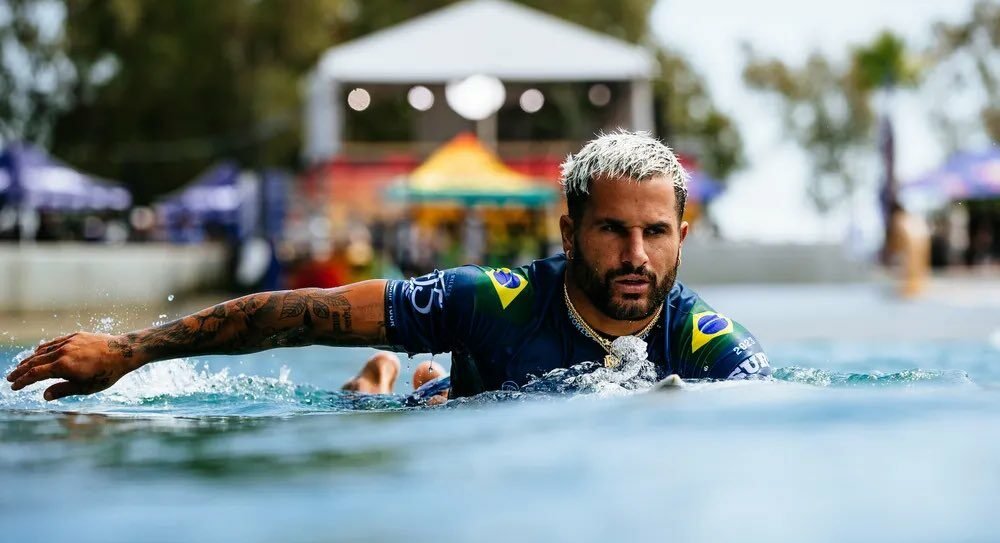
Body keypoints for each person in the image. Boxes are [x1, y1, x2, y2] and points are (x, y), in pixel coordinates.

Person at [6, 131, 771, 402]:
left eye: (656, 233)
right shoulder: (489, 301)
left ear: (682, 233)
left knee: (432, 388)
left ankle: (412, 378)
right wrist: (127, 352)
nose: (637, 257)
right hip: (454, 434)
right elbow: (294, 314)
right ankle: (387, 382)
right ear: (568, 232)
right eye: (613, 231)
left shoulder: (714, 348)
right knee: (377, 404)